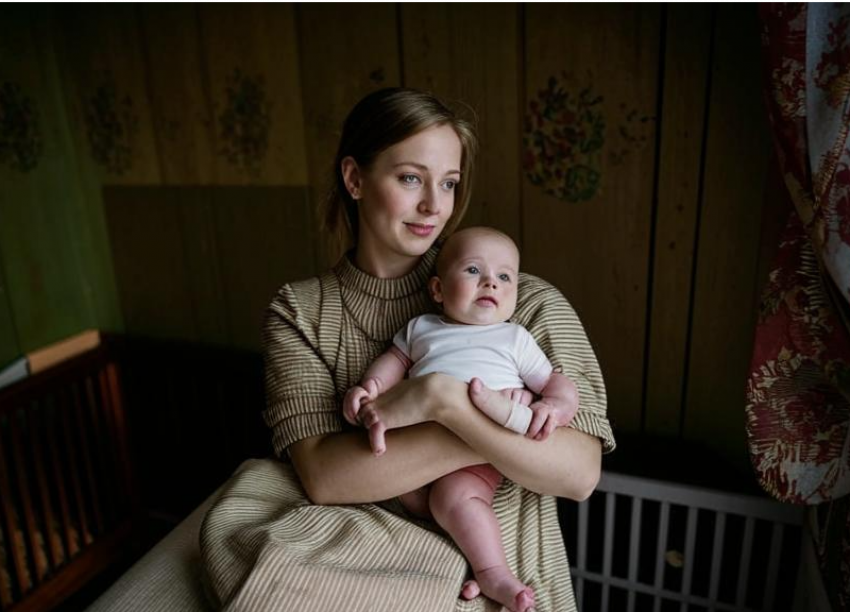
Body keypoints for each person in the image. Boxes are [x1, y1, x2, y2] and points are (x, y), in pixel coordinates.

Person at [200, 87, 615, 612]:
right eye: (410, 178)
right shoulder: (298, 311)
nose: (434, 206)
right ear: (355, 179)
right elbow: (326, 478)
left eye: (448, 183)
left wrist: (443, 402)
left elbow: (577, 474)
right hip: (365, 570)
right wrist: (498, 421)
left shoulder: (520, 299)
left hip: (513, 583)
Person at [343, 226, 579, 612]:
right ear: (437, 290)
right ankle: (448, 544)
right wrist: (369, 388)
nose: (491, 282)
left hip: (476, 452)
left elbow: (556, 382)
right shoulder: (421, 329)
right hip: (412, 451)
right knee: (385, 470)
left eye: (505, 277)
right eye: (473, 270)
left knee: (456, 498)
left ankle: (493, 572)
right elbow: (394, 362)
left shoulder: (513, 338)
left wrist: (553, 405)